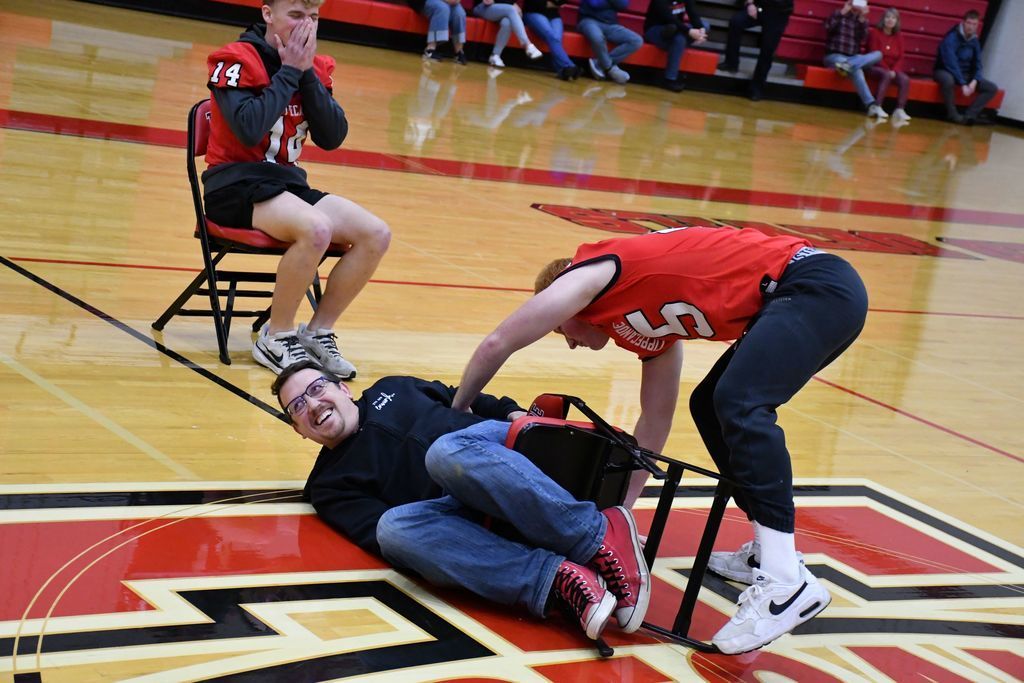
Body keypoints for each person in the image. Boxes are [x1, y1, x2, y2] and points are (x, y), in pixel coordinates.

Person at [451, 226, 868, 654]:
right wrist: (620, 520)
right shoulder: (646, 323)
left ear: (564, 302)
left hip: (814, 285)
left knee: (739, 401)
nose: (571, 344)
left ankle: (785, 582)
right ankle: (767, 551)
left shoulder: (589, 276)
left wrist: (460, 407)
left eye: (562, 331)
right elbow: (655, 421)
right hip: (803, 292)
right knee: (709, 404)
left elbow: (499, 342)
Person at [273, 360, 652, 640]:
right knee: (393, 531)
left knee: (443, 453)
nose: (312, 404)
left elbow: (466, 397)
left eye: (317, 388)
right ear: (298, 430)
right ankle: (555, 577)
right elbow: (387, 534)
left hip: (497, 454)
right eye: (297, 407)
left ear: (344, 389)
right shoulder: (328, 485)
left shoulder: (395, 386)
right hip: (461, 508)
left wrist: (511, 411)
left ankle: (597, 536)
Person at [203, 0, 391, 376]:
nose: (306, 25)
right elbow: (249, 128)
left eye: (314, 17)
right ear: (267, 13)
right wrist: (289, 70)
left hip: (286, 185)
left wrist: (305, 74)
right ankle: (277, 335)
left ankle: (318, 332)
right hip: (234, 185)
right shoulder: (237, 58)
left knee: (376, 233)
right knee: (316, 228)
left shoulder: (317, 68)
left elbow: (332, 136)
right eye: (296, 15)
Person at [934, 10, 998, 125]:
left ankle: (969, 115)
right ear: (963, 22)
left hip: (965, 74)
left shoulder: (975, 41)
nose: (971, 27)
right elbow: (951, 63)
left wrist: (975, 80)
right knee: (948, 81)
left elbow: (978, 63)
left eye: (974, 24)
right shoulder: (951, 38)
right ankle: (952, 114)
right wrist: (963, 83)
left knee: (991, 88)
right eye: (969, 23)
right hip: (944, 70)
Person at [719, 0, 793, 101]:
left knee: (768, 48)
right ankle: (731, 62)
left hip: (779, 13)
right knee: (736, 22)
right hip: (760, 6)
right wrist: (749, 4)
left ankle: (756, 88)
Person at [822, 0, 884, 117]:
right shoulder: (838, 13)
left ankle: (848, 65)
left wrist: (862, 20)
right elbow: (827, 28)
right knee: (857, 70)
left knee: (878, 54)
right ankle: (871, 105)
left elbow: (863, 39)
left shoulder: (861, 20)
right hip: (834, 56)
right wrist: (842, 13)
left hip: (852, 57)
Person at [643, 0, 709, 93]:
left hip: (677, 29)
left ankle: (678, 43)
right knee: (678, 38)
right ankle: (669, 79)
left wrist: (701, 30)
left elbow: (693, 13)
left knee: (705, 25)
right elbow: (668, 17)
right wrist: (689, 32)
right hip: (656, 29)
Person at [576, 0, 643, 85]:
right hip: (588, 20)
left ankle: (600, 64)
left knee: (636, 40)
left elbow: (623, 5)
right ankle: (609, 69)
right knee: (597, 37)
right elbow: (595, 3)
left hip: (610, 24)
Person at [866, 8, 910, 124]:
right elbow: (874, 54)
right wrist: (887, 69)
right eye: (888, 17)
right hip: (875, 66)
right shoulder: (875, 33)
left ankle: (899, 109)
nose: (890, 20)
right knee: (886, 75)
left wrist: (894, 70)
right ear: (883, 19)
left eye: (893, 18)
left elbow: (901, 57)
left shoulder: (899, 36)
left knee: (904, 79)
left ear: (897, 21)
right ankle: (877, 105)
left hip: (892, 69)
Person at [471, 0, 544, 69]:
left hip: (502, 9)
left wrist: (511, 4)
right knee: (511, 9)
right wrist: (511, 4)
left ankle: (495, 55)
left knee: (507, 22)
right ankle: (527, 44)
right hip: (482, 6)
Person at [523, 0, 581, 80]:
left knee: (556, 39)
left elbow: (562, 2)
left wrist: (551, 4)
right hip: (533, 12)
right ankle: (570, 66)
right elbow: (534, 3)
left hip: (554, 15)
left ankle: (563, 71)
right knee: (552, 37)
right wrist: (554, 4)